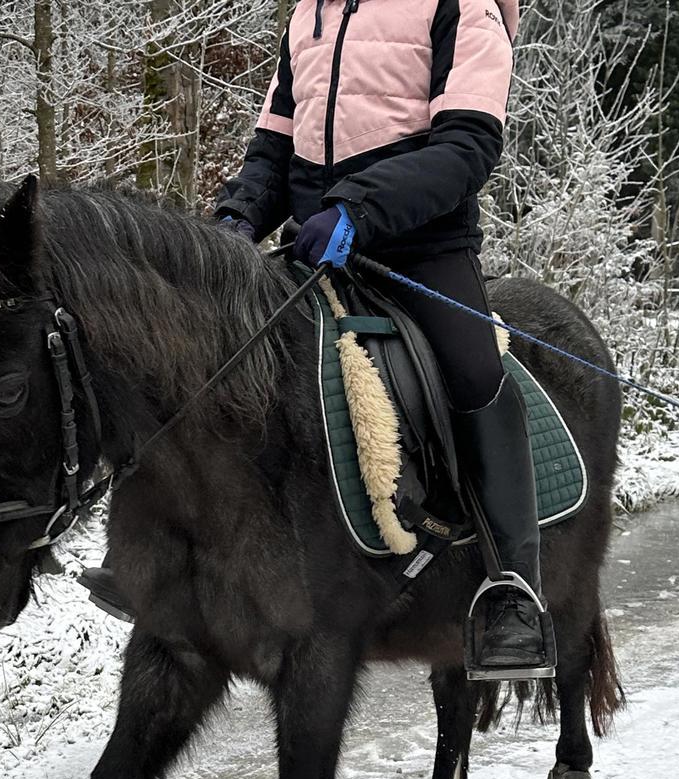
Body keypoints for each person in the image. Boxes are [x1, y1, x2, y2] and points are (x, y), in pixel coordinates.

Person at [215, 0, 552, 680]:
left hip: (421, 250)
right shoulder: (308, 10)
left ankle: (511, 588)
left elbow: (467, 146)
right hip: (312, 250)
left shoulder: (462, 6)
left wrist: (358, 209)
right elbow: (274, 148)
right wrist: (234, 220)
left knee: (472, 376)